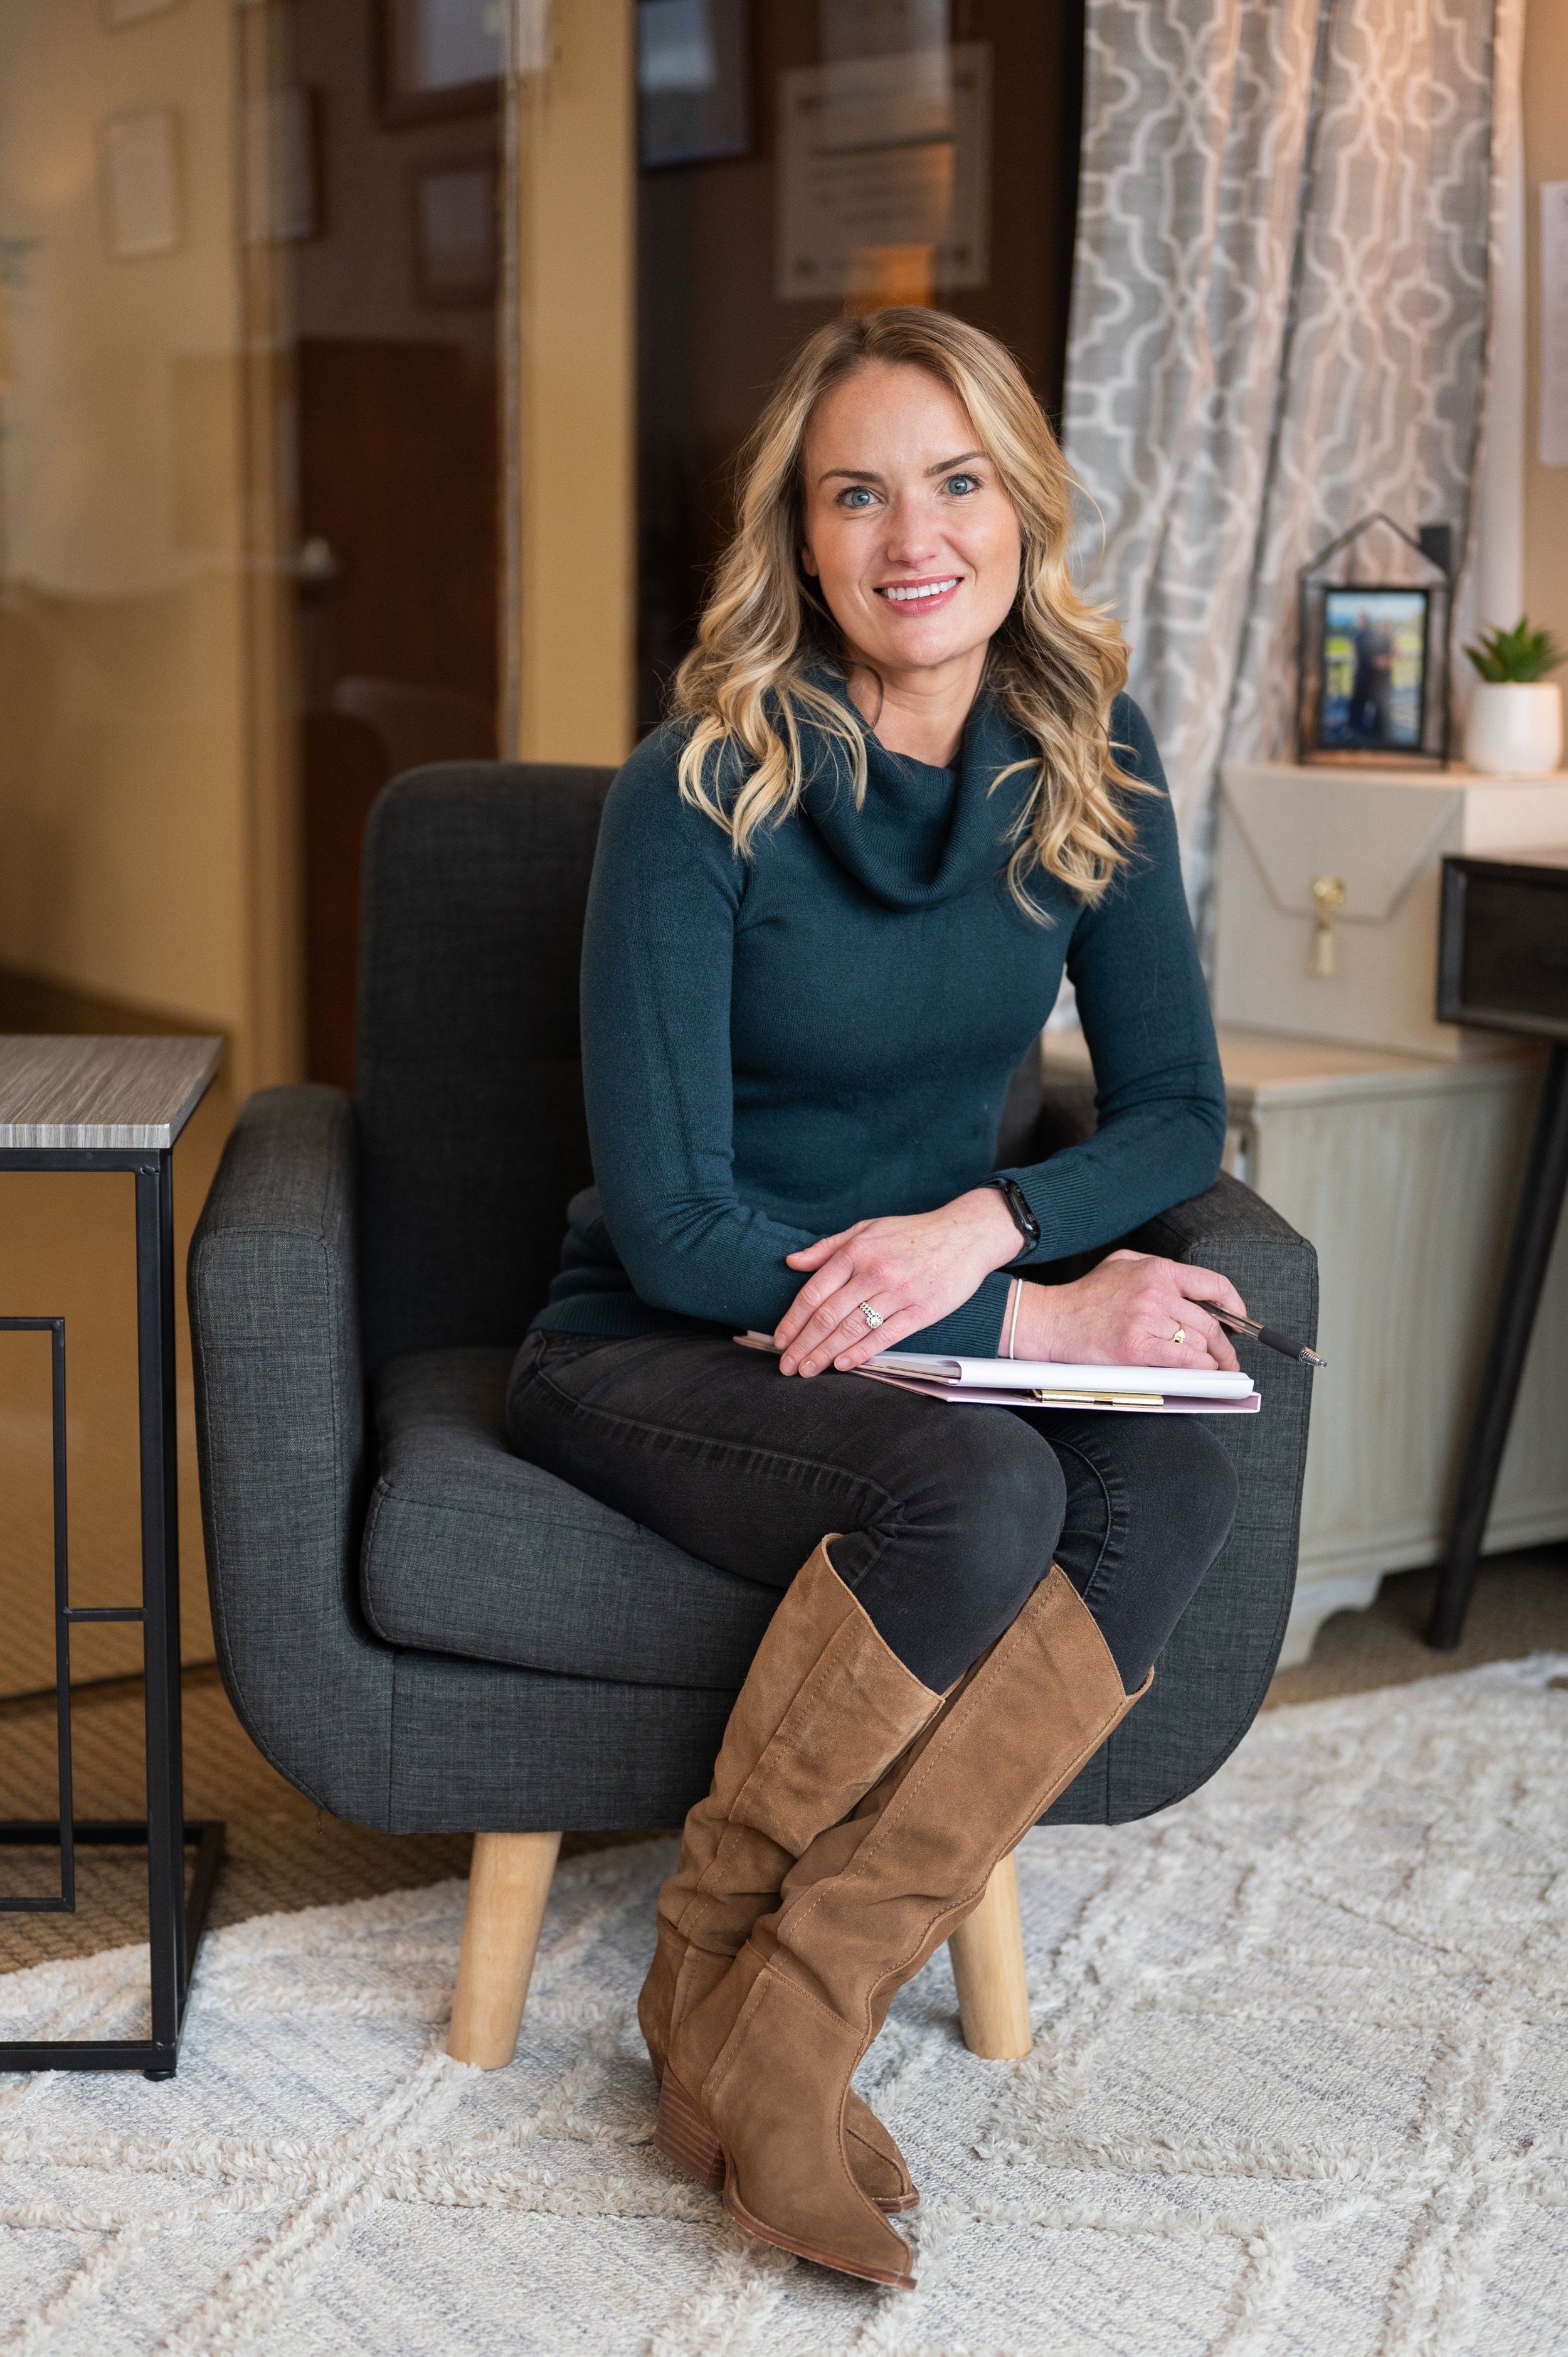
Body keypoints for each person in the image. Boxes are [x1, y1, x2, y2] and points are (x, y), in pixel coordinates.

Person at [506, 307, 1243, 2290]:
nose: (911, 534)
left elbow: (1180, 1110)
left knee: (1170, 1470)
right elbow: (674, 1230)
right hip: (661, 1345)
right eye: (857, 492)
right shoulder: (704, 787)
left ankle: (780, 2023)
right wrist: (1036, 1328)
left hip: (917, 1311)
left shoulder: (1084, 751)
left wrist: (992, 1232)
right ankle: (712, 1982)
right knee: (985, 1488)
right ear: (803, 541)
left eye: (955, 480)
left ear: (1017, 509)